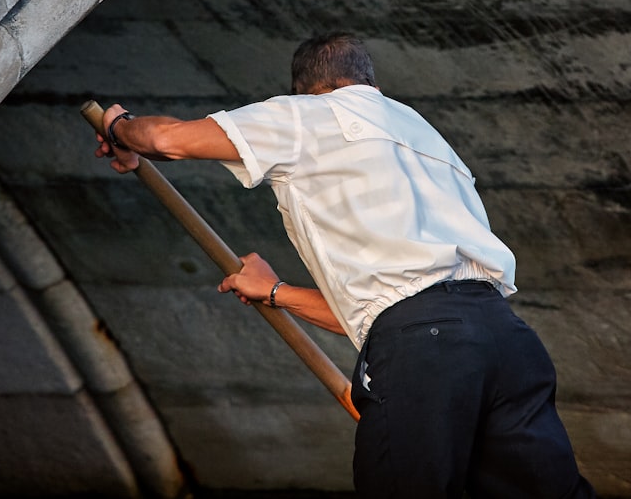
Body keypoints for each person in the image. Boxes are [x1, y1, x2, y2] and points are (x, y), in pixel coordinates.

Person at [94, 32, 596, 499]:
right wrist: (274, 292)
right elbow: (393, 309)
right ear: (373, 85)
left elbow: (166, 139)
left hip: (426, 354)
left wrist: (119, 129)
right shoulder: (425, 135)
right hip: (507, 342)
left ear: (305, 90)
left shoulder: (304, 115)